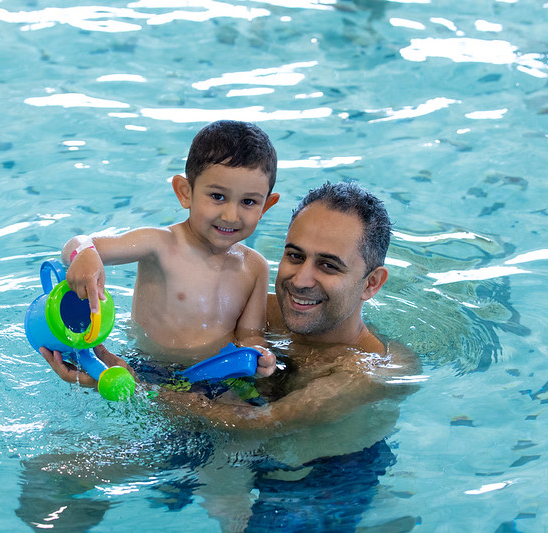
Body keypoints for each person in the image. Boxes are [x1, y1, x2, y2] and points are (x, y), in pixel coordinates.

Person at [26, 181, 422, 531]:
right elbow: (176, 354)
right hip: (212, 429)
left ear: (371, 283)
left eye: (328, 265)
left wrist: (124, 388)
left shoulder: (371, 370)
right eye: (295, 256)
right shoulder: (258, 313)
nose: (301, 280)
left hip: (316, 473)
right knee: (49, 480)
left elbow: (260, 425)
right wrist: (95, 354)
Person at [41, 120, 279, 384]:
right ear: (185, 192)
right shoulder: (159, 245)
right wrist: (84, 254)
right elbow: (82, 244)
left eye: (248, 202)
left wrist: (260, 355)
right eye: (217, 196)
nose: (231, 215)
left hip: (217, 375)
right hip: (148, 370)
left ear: (266, 205)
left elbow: (251, 334)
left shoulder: (256, 267)